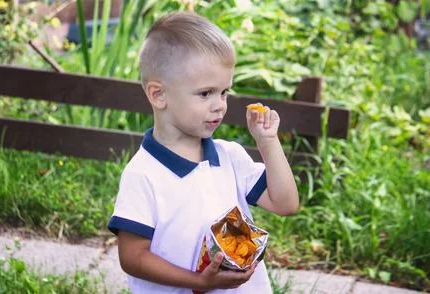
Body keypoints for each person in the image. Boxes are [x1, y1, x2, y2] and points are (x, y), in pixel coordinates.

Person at [107, 11, 299, 293]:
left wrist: (268, 143)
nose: (220, 105)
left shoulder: (229, 157)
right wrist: (199, 282)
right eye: (205, 93)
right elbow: (133, 257)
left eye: (224, 92)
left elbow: (286, 204)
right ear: (159, 95)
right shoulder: (143, 175)